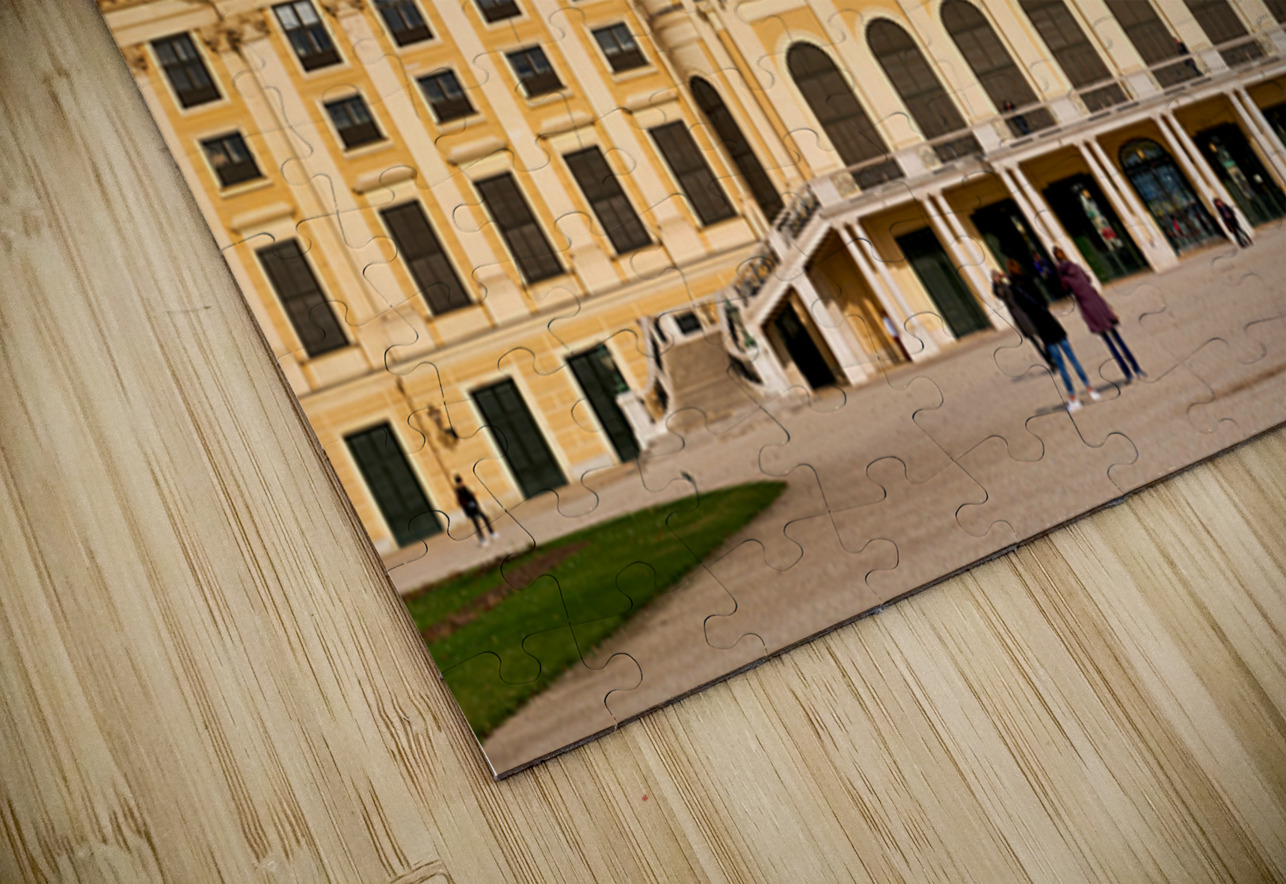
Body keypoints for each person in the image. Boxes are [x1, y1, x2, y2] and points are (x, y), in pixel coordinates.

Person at [1002, 260, 1099, 411]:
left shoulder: (1014, 289)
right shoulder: (1029, 281)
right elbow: (1044, 300)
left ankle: (1073, 398)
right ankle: (1090, 389)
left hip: (1042, 327)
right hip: (1052, 323)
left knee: (1061, 365)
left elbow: (1022, 308)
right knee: (1073, 359)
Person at [1053, 247, 1145, 386]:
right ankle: (1137, 369)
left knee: (1109, 343)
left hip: (1088, 307)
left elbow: (1065, 290)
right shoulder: (1076, 267)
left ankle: (1127, 374)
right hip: (1097, 301)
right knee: (1118, 339)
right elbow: (1088, 279)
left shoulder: (1064, 276)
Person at [991, 267, 1053, 370]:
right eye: (994, 277)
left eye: (996, 276)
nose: (995, 278)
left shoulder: (1007, 283)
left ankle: (1050, 355)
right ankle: (1049, 361)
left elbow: (1014, 287)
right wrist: (998, 285)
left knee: (1041, 335)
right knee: (1034, 340)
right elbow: (999, 294)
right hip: (1017, 315)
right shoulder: (997, 289)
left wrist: (1006, 278)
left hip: (1025, 310)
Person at [454, 474, 497, 545]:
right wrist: (472, 497)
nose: (462, 482)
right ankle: (486, 537)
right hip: (470, 508)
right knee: (479, 522)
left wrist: (473, 496)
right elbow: (464, 500)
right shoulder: (459, 490)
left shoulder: (463, 488)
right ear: (460, 481)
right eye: (461, 481)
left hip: (472, 507)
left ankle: (489, 535)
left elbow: (467, 498)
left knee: (481, 520)